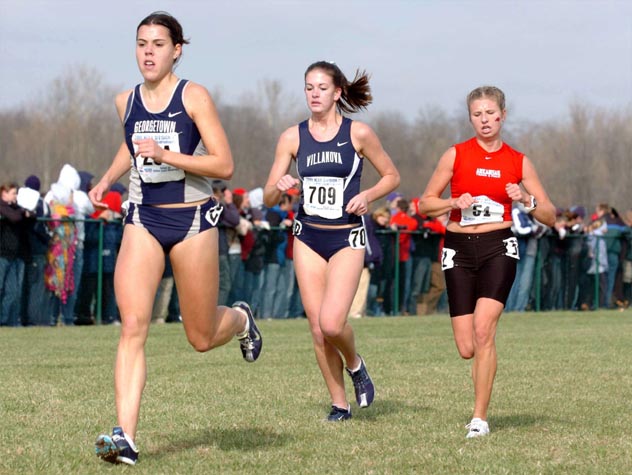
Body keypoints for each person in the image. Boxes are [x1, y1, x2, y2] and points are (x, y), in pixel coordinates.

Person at [89, 12, 262, 465]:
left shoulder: (193, 97)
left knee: (200, 337)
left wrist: (168, 154)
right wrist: (106, 178)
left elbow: (225, 165)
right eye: (141, 43)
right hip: (142, 217)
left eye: (158, 44)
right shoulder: (125, 101)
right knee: (133, 325)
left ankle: (242, 319)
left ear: (176, 50)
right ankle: (124, 436)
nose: (148, 51)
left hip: (193, 221)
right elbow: (131, 145)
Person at [263, 61, 400, 421]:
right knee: (316, 328)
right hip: (308, 235)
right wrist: (279, 188)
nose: (314, 94)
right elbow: (266, 197)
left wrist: (368, 195)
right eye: (309, 87)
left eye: (322, 87)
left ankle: (356, 365)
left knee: (332, 323)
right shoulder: (292, 137)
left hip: (346, 236)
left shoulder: (359, 134)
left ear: (337, 92)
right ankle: (340, 404)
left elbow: (391, 175)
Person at [419, 86, 555, 438]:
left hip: (499, 246)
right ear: (470, 118)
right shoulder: (455, 155)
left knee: (484, 331)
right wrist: (452, 203)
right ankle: (479, 407)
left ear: (503, 115)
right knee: (467, 347)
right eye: (477, 114)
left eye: (490, 113)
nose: (484, 120)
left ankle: (479, 418)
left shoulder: (518, 160)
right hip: (458, 249)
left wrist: (526, 198)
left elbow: (551, 215)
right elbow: (425, 203)